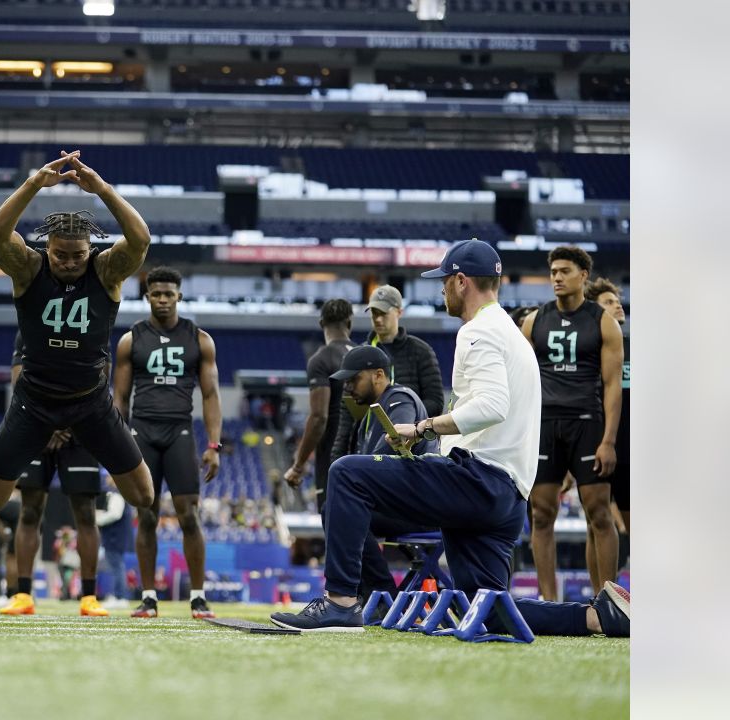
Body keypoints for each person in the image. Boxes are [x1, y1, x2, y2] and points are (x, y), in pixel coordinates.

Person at [269, 240, 629, 638]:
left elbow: (492, 405)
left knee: (347, 475)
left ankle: (339, 603)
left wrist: (424, 428)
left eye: (444, 282)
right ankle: (596, 617)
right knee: (488, 610)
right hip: (506, 497)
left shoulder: (478, 330)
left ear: (461, 281)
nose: (441, 290)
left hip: (478, 481)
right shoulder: (509, 330)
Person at [0, 151, 154, 531]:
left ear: (91, 250)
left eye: (77, 255)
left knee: (143, 496)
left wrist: (102, 189)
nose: (70, 262)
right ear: (47, 248)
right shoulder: (29, 268)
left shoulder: (106, 271)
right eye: (60, 255)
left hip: (90, 402)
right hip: (34, 402)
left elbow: (140, 240)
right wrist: (33, 184)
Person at [113, 266, 222, 619]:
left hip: (180, 432)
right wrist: (116, 445)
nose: (162, 300)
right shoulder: (130, 340)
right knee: (145, 516)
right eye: (156, 294)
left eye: (168, 294)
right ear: (147, 296)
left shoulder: (199, 339)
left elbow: (210, 394)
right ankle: (148, 597)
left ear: (179, 295)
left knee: (188, 515)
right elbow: (120, 399)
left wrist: (214, 445)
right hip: (142, 432)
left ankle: (198, 597)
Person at [521, 247, 624, 598]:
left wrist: (608, 440)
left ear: (583, 276)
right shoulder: (534, 321)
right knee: (541, 514)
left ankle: (606, 602)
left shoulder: (602, 322)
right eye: (552, 272)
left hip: (587, 422)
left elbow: (612, 386)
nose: (556, 278)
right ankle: (550, 602)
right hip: (547, 424)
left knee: (598, 513)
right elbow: (522, 381)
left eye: (564, 271)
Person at [0, 331, 112, 617]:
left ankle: (89, 597)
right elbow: (18, 377)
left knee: (86, 513)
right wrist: (47, 423)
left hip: (81, 428)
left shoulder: (90, 322)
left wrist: (69, 422)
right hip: (37, 428)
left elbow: (101, 377)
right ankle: (23, 594)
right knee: (30, 512)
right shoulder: (31, 324)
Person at [328, 346, 438, 601]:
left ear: (378, 375)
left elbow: (389, 452)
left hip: (417, 507)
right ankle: (371, 593)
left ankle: (379, 594)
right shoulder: (371, 413)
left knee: (339, 509)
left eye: (354, 379)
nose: (348, 387)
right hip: (400, 504)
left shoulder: (399, 399)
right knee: (338, 508)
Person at [328, 285, 446, 480]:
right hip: (367, 443)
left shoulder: (420, 351)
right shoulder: (360, 355)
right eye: (374, 314)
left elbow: (435, 401)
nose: (378, 319)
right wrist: (337, 460)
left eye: (383, 313)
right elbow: (346, 415)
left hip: (410, 448)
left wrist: (400, 415)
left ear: (399, 312)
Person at [283, 299, 354, 511]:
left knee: (336, 533)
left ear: (321, 323)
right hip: (363, 454)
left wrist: (298, 465)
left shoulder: (321, 359)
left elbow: (319, 417)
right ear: (349, 323)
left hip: (333, 460)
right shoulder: (364, 356)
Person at [584, 277, 629, 535]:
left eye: (618, 301)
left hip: (630, 451)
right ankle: (598, 579)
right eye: (609, 302)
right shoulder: (588, 354)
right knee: (597, 526)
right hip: (595, 447)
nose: (618, 305)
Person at [96, 477, 132, 604]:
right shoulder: (117, 494)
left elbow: (115, 514)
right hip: (115, 537)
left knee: (117, 566)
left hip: (115, 537)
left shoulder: (117, 494)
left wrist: (98, 520)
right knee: (116, 565)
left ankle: (120, 596)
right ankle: (118, 595)